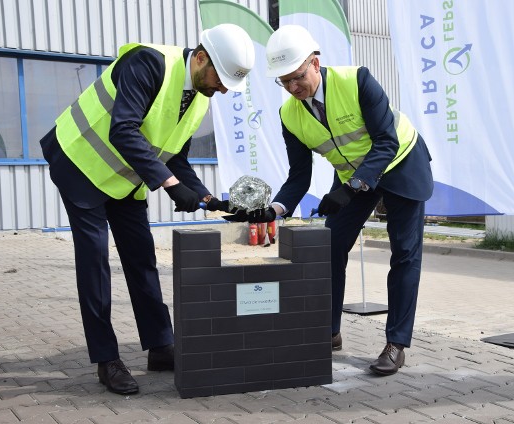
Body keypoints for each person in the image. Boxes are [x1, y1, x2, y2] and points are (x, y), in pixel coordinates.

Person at [40, 24, 254, 394]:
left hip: (125, 178)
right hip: (79, 163)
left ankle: (160, 346)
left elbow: (177, 159)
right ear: (201, 57)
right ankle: (107, 358)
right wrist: (170, 186)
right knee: (94, 259)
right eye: (221, 79)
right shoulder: (147, 63)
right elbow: (123, 130)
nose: (222, 89)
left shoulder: (200, 95)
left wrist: (207, 200)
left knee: (141, 257)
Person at [225, 25, 433, 375]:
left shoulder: (358, 82)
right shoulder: (289, 115)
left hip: (401, 164)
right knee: (331, 244)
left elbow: (386, 142)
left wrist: (350, 189)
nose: (293, 88)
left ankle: (396, 343)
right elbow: (298, 177)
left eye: (298, 76)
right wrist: (273, 210)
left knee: (404, 254)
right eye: (285, 81)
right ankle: (329, 331)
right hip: (353, 177)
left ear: (315, 64)